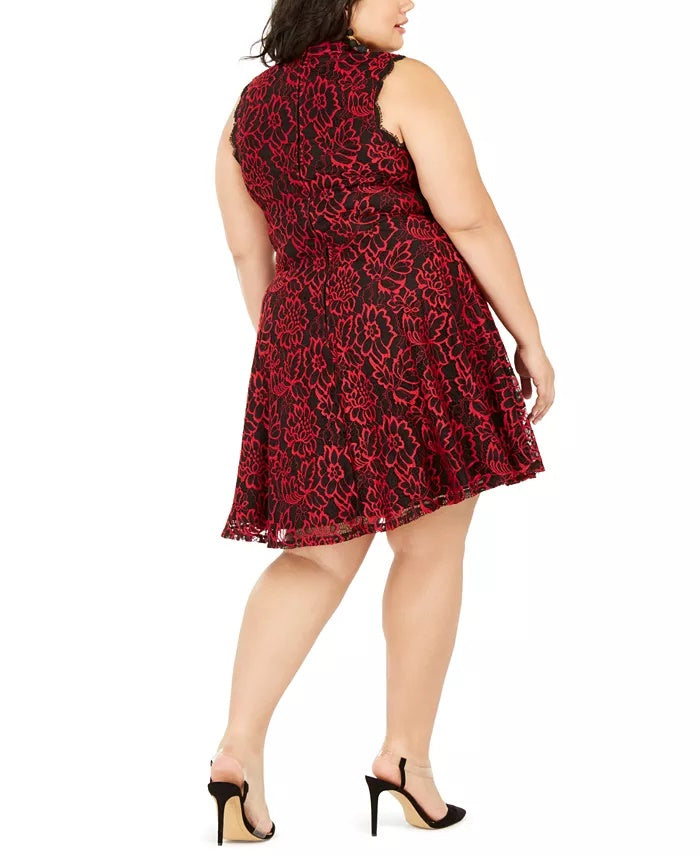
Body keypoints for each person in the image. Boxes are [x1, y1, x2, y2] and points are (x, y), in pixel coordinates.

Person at [208, 0, 555, 842]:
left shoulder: (244, 117)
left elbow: (250, 254)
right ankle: (405, 758)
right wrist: (531, 337)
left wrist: (298, 355)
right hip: (414, 325)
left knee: (317, 557)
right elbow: (469, 217)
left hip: (304, 337)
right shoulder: (400, 83)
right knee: (429, 546)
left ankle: (236, 755)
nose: (409, 3)